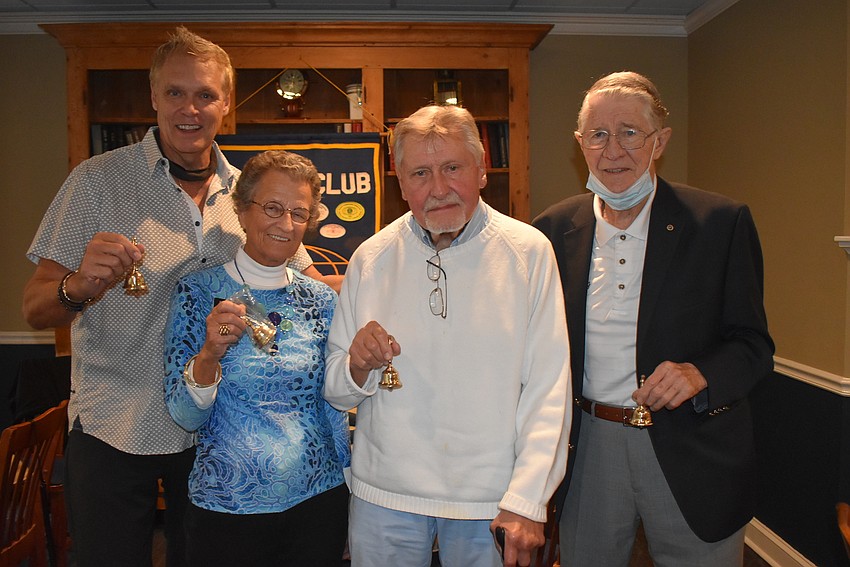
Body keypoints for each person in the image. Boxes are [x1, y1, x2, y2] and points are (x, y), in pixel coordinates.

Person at [21, 26, 334, 566]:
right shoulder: (97, 182)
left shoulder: (248, 194)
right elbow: (33, 308)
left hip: (212, 436)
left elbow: (301, 291)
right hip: (115, 426)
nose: (190, 109)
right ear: (154, 97)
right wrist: (82, 286)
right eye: (175, 93)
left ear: (226, 105)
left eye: (205, 95)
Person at [533, 71, 774, 566]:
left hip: (692, 448)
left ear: (659, 142)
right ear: (580, 144)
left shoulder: (719, 224)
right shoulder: (553, 231)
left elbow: (753, 345)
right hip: (589, 448)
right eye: (598, 135)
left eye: (629, 133)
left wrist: (700, 373)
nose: (613, 150)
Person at [323, 104, 571, 567]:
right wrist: (356, 364)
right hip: (384, 496)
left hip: (492, 501)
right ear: (400, 181)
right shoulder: (371, 258)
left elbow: (549, 389)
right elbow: (336, 392)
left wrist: (529, 499)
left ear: (481, 170)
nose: (438, 189)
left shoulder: (529, 252)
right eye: (420, 173)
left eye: (452, 168)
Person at [163, 150, 350, 566]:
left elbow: (332, 409)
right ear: (242, 211)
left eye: (299, 213)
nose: (286, 225)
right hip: (228, 508)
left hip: (317, 501)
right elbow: (184, 416)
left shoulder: (320, 299)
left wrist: (349, 489)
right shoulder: (196, 292)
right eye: (272, 208)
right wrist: (210, 353)